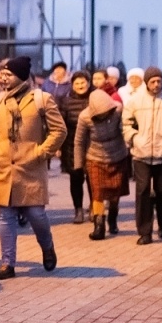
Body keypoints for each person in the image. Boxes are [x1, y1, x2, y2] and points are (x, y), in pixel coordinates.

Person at [0, 57, 65, 280]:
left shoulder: (41, 99)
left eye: (8, 74)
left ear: (20, 75)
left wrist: (41, 152)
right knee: (6, 217)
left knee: (35, 214)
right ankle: (7, 264)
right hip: (4, 167)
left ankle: (47, 247)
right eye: (2, 74)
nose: (3, 78)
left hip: (31, 167)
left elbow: (59, 131)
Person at [122, 66, 162, 245]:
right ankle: (145, 232)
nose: (156, 84)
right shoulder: (135, 100)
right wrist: (134, 138)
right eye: (152, 81)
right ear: (146, 83)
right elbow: (126, 123)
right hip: (141, 154)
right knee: (142, 192)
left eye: (159, 81)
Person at [75, 89, 130, 240]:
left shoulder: (118, 109)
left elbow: (126, 129)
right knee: (98, 192)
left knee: (115, 192)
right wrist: (78, 165)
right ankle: (99, 225)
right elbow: (79, 142)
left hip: (118, 155)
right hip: (95, 157)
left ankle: (113, 217)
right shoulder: (85, 117)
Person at [59, 70, 93, 223]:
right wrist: (59, 147)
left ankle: (94, 207)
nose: (80, 86)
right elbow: (61, 125)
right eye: (77, 83)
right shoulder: (65, 101)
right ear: (72, 85)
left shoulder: (94, 98)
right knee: (76, 179)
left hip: (92, 144)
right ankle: (78, 209)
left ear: (88, 83)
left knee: (93, 179)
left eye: (83, 82)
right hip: (72, 146)